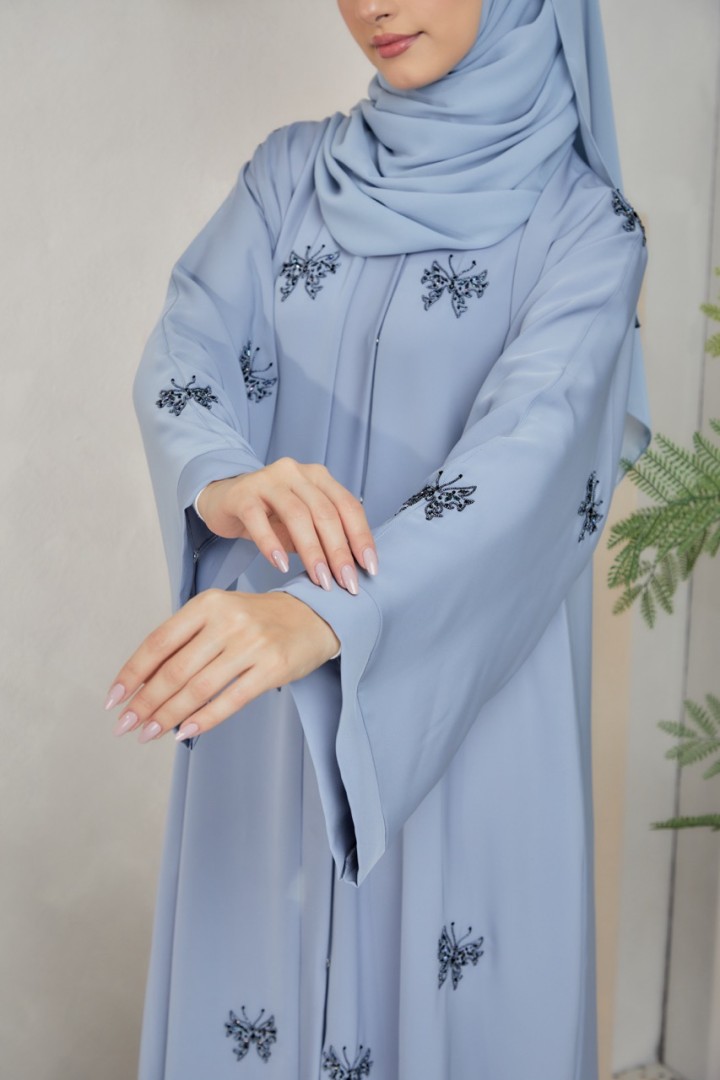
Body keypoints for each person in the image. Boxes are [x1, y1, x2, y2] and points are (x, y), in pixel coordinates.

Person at [105, 1, 651, 1076]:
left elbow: (528, 460)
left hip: (463, 707)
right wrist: (224, 476)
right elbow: (187, 344)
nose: (372, 5)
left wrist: (319, 617)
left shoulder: (587, 231)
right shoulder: (290, 177)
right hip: (265, 700)